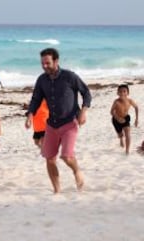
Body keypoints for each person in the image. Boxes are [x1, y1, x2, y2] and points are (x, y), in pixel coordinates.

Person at [25, 48, 92, 194]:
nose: (44, 66)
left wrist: (83, 111)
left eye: (47, 63)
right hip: (51, 125)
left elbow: (86, 93)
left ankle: (77, 170)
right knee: (50, 159)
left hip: (69, 123)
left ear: (56, 61)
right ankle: (57, 190)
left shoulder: (70, 77)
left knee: (67, 156)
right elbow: (36, 99)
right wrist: (30, 115)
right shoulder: (42, 80)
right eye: (42, 63)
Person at [110, 84, 139, 154]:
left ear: (128, 93)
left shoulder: (130, 101)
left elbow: (136, 107)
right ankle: (121, 139)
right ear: (117, 93)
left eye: (124, 91)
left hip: (126, 118)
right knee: (120, 134)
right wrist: (117, 118)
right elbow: (111, 111)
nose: (122, 93)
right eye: (120, 91)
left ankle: (127, 150)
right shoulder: (116, 102)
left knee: (128, 134)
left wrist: (136, 119)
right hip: (116, 120)